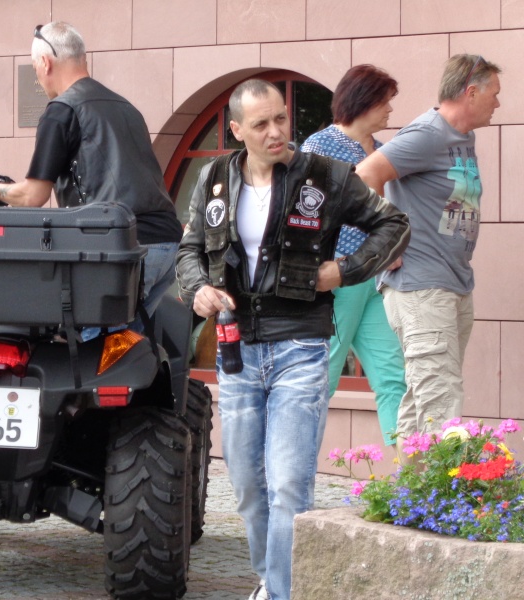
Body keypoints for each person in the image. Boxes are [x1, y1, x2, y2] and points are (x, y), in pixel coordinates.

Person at [175, 79, 410, 600]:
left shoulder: (324, 176)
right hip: (237, 351)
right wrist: (198, 291)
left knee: (287, 485)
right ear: (237, 130)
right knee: (248, 490)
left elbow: (392, 224)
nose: (277, 131)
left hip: (300, 346)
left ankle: (281, 593)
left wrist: (344, 270)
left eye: (281, 118)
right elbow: (189, 248)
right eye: (261, 124)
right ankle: (271, 578)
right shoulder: (214, 177)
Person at [0, 21, 183, 332]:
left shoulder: (62, 110)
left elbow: (33, 197)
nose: (38, 78)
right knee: (124, 352)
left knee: (92, 353)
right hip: (167, 244)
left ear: (44, 62)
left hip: (122, 249)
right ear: (83, 58)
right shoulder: (126, 107)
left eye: (34, 69)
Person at [356, 54, 502, 448]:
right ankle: (446, 502)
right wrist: (383, 243)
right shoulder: (427, 134)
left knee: (423, 394)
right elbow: (367, 174)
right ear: (471, 93)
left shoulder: (460, 137)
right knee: (441, 395)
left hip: (451, 281)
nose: (498, 103)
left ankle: (409, 496)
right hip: (421, 284)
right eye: (494, 94)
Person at [300, 65, 406, 447]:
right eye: (386, 101)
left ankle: (409, 482)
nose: (390, 110)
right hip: (339, 280)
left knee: (395, 377)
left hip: (375, 283)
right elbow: (304, 216)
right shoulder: (319, 147)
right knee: (322, 378)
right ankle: (295, 473)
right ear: (365, 101)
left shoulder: (381, 151)